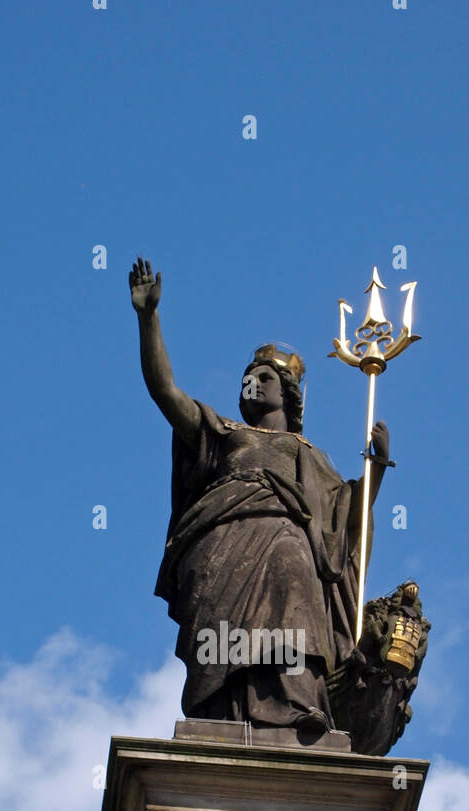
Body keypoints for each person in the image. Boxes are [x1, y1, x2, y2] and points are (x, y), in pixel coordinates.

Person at [130, 257, 391, 736]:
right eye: (247, 377)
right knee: (233, 620)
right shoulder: (223, 433)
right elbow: (164, 391)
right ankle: (221, 708)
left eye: (263, 377)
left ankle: (296, 703)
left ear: (288, 394)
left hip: (286, 541)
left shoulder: (309, 454)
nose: (251, 383)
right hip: (223, 543)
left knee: (295, 566)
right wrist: (149, 318)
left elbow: (343, 519)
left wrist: (375, 469)